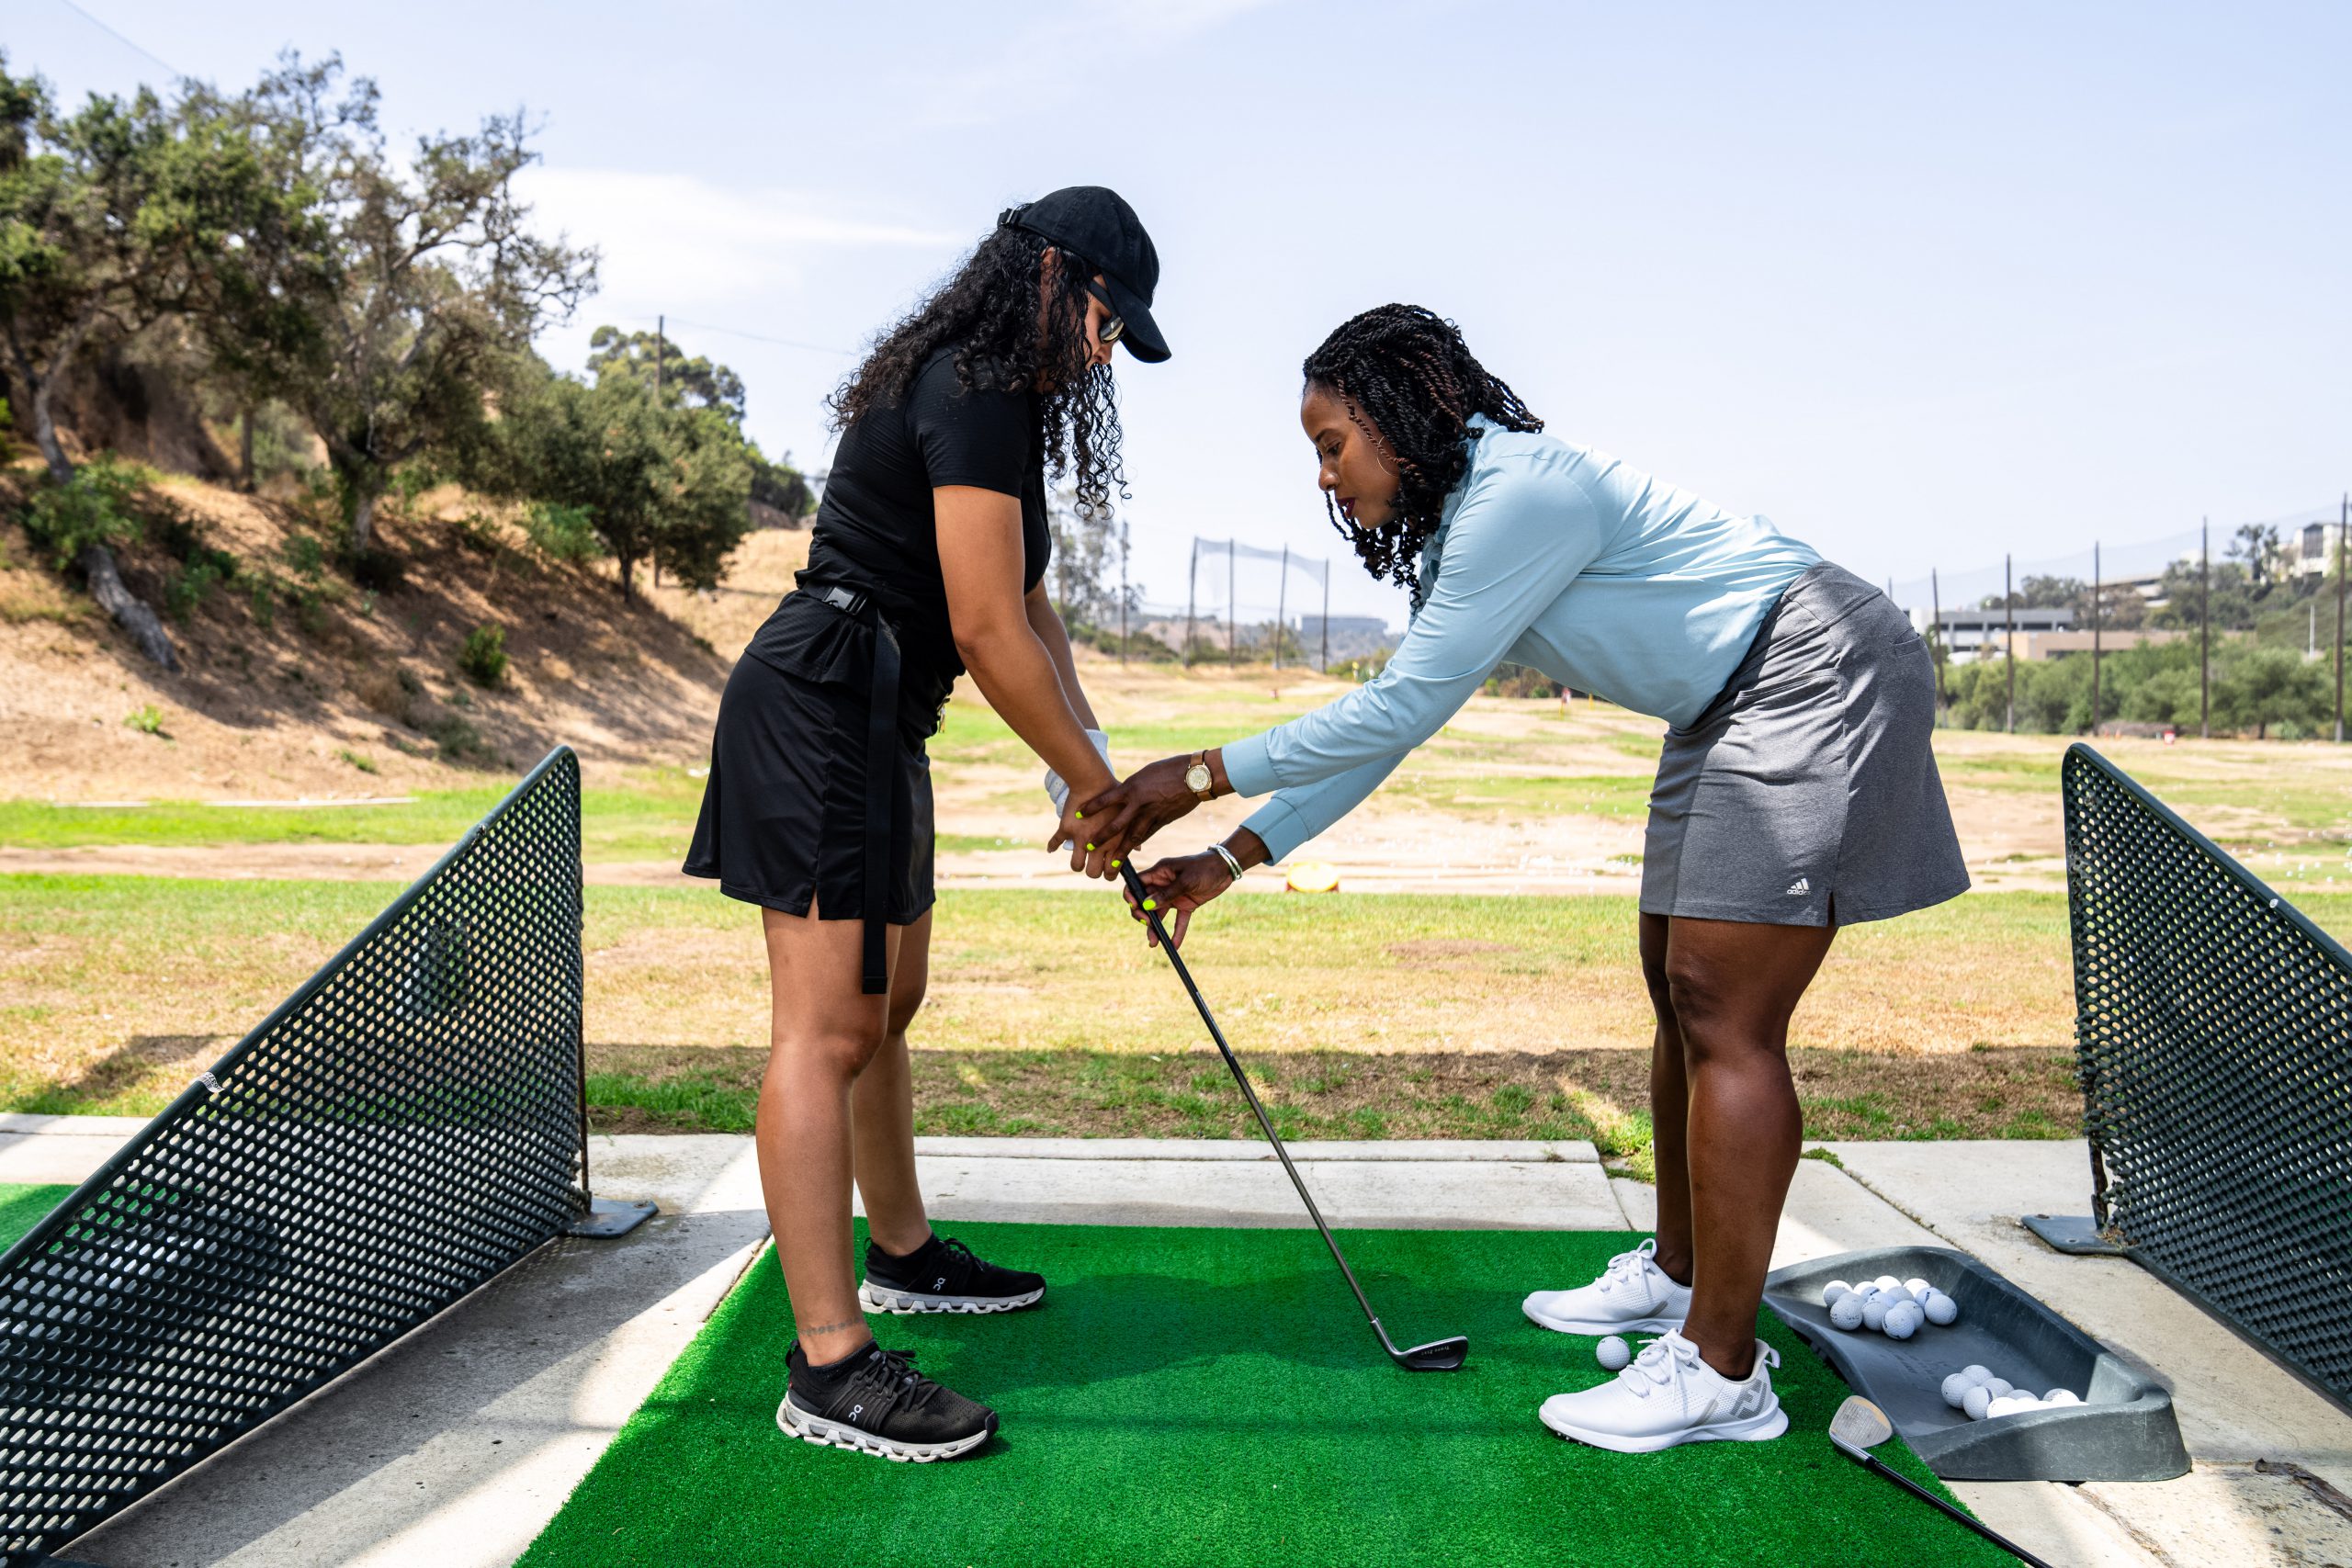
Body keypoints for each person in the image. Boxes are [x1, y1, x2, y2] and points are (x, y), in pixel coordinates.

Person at [1070, 303, 1966, 1453]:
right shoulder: (1464, 534)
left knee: (1721, 1004)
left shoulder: (1522, 493)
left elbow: (1396, 706)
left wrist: (1196, 774)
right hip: (1721, 701)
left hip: (1812, 663)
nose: (1327, 478)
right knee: (1672, 983)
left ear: (1398, 417)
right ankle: (1680, 1273)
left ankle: (1722, 1370)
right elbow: (1398, 729)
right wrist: (1235, 854)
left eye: (1331, 444)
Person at [684, 186, 1169, 1461]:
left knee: (886, 1004)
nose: (1107, 350)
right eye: (1110, 321)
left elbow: (1034, 612)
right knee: (826, 1027)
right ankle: (829, 1363)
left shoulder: (1001, 397)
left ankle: (900, 1252)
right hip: (825, 697)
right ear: (1056, 275)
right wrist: (1097, 791)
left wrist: (1090, 766)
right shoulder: (975, 382)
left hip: (879, 717)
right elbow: (983, 630)